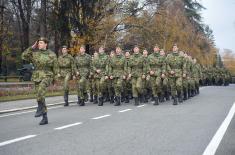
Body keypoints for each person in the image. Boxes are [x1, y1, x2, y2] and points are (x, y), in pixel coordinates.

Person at [21, 37, 58, 125]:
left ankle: (39, 108)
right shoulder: (35, 54)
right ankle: (45, 117)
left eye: (41, 43)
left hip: (47, 75)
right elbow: (23, 56)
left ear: (46, 44)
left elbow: (56, 68)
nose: (39, 44)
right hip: (37, 76)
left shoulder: (52, 54)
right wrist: (32, 47)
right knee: (40, 97)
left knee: (41, 90)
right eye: (38, 43)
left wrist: (55, 80)